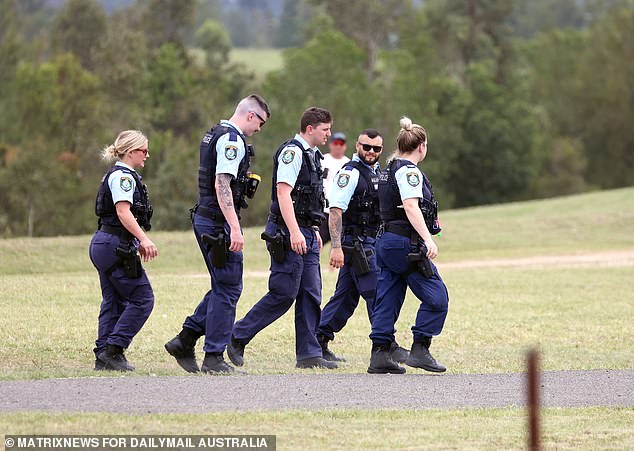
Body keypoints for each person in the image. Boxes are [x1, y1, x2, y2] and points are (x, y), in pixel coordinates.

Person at [164, 94, 270, 374]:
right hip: (216, 223)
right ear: (251, 116)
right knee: (229, 287)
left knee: (224, 285)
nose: (259, 129)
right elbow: (222, 182)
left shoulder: (214, 134)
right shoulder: (232, 141)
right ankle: (213, 356)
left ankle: (185, 340)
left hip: (207, 218)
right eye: (260, 123)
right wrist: (235, 227)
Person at [227, 107, 337, 370]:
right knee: (283, 294)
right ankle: (236, 336)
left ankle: (309, 354)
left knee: (311, 293)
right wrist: (296, 231)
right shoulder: (293, 153)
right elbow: (283, 193)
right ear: (310, 128)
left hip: (307, 233)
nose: (329, 135)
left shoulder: (313, 156)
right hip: (288, 233)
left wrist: (313, 231)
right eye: (325, 130)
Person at [316, 129, 409, 363]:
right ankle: (387, 345)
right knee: (378, 293)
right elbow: (335, 211)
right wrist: (336, 247)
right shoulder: (350, 173)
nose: (370, 152)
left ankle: (318, 340)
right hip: (356, 244)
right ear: (357, 146)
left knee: (345, 296)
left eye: (376, 148)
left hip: (371, 242)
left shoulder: (377, 173)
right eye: (366, 147)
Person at [368, 117, 449, 374]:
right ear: (421, 146)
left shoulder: (388, 169)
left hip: (386, 242)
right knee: (437, 297)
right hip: (406, 244)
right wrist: (427, 239)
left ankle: (380, 354)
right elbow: (411, 206)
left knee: (389, 296)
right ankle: (420, 348)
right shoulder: (409, 172)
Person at [90, 130, 157, 372]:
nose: (147, 155)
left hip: (105, 242)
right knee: (143, 299)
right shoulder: (123, 178)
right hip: (113, 244)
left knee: (113, 300)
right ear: (131, 152)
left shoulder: (118, 175)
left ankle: (103, 355)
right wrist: (144, 239)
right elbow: (123, 211)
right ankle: (113, 350)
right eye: (144, 151)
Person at [318, 132, 350, 244]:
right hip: (323, 211)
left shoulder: (348, 164)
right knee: (318, 244)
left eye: (341, 143)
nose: (338, 146)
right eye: (336, 142)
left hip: (340, 212)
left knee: (338, 246)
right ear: (330, 144)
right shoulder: (322, 160)